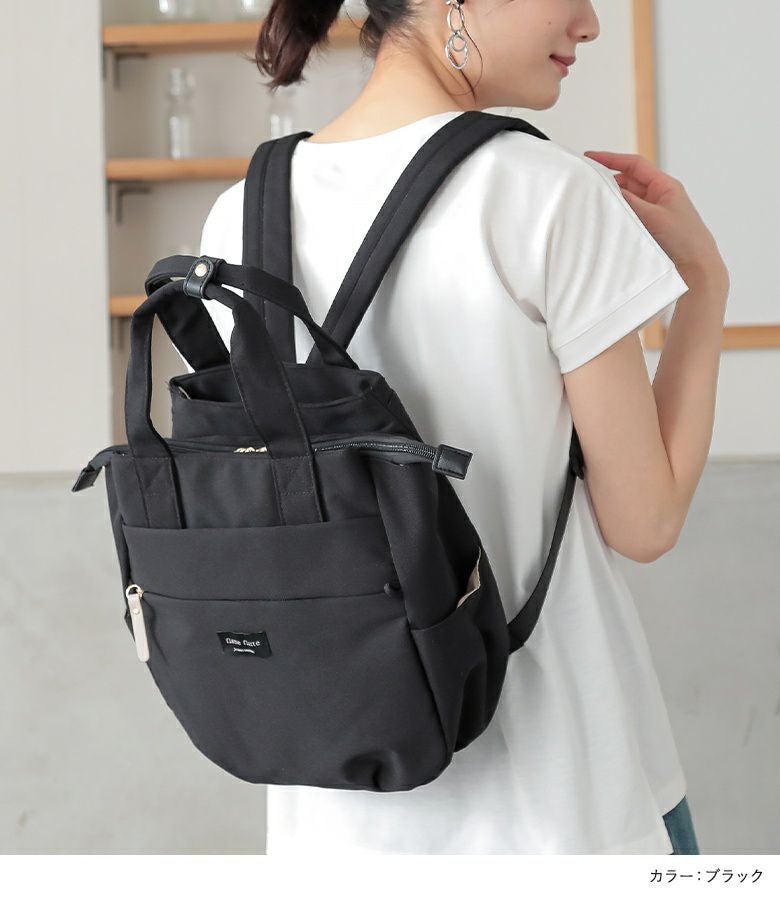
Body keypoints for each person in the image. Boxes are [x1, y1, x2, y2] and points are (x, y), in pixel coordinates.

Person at [192, 0, 727, 854]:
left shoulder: (239, 215)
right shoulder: (546, 192)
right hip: (562, 795)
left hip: (339, 808)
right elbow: (646, 521)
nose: (590, 23)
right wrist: (704, 283)